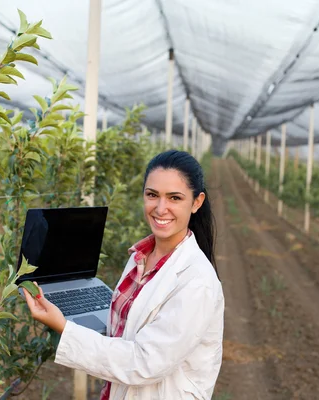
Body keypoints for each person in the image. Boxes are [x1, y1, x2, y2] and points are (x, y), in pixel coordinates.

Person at [23, 149, 225, 399]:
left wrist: (65, 327)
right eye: (152, 195)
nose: (161, 208)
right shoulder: (139, 257)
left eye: (174, 198)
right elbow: (127, 330)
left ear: (196, 202)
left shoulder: (197, 282)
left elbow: (144, 363)